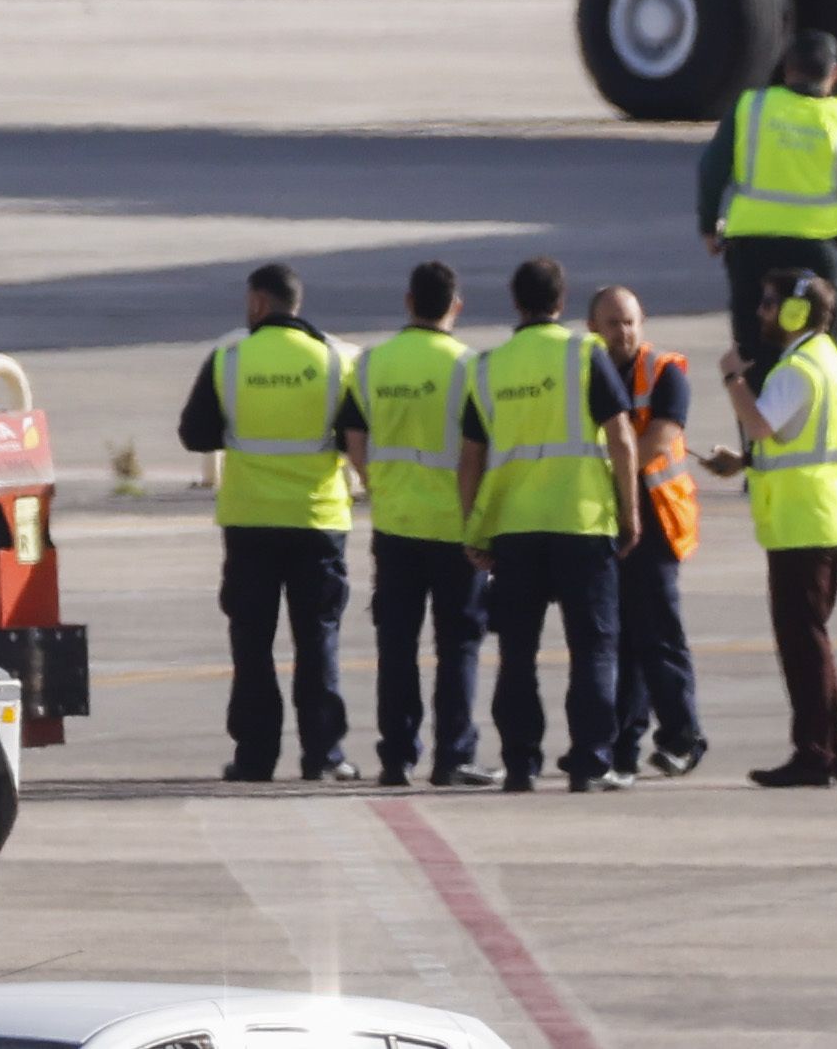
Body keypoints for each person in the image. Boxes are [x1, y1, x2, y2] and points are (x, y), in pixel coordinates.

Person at [452, 254, 642, 792]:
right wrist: (630, 513)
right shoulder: (585, 353)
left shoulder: (487, 367)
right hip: (582, 523)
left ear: (516, 302)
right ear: (561, 303)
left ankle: (519, 763)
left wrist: (474, 528)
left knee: (517, 654)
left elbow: (470, 459)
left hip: (515, 528)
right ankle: (589, 761)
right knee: (593, 648)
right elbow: (622, 438)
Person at [177, 260, 356, 783]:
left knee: (253, 644)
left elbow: (195, 434)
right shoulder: (333, 361)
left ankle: (255, 756)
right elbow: (354, 436)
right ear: (296, 303)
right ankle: (323, 755)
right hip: (318, 518)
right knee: (318, 639)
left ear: (258, 303)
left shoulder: (229, 359)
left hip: (251, 519)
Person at [707, 273, 837, 786]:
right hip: (820, 518)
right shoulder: (823, 358)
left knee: (802, 642)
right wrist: (746, 463)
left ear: (796, 313)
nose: (761, 313)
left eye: (771, 305)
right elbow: (785, 438)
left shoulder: (796, 369)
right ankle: (830, 748)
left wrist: (733, 379)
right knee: (810, 638)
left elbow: (760, 424)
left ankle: (815, 753)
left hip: (803, 523)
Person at [349, 259, 487, 788]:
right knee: (459, 646)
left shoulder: (371, 364)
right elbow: (480, 447)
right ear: (456, 306)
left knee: (397, 646)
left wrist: (375, 484)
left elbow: (354, 436)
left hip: (396, 524)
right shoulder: (470, 367)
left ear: (408, 302)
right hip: (455, 527)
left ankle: (396, 757)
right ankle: (453, 756)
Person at [700, 26, 837, 373]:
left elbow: (711, 172)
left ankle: (756, 424)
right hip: (821, 257)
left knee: (753, 358)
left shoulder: (749, 110)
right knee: (820, 363)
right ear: (836, 74)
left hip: (753, 252)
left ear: (786, 68)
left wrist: (709, 226)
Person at [587, 282, 711, 778]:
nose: (625, 331)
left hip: (656, 521)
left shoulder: (664, 373)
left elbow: (656, 442)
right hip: (607, 518)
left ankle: (684, 735)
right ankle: (623, 747)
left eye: (632, 321)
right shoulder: (586, 370)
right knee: (621, 639)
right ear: (593, 327)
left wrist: (606, 469)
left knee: (659, 634)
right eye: (614, 322)